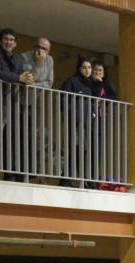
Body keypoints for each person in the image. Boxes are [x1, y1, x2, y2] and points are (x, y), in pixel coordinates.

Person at [0, 28, 34, 182]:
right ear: (0, 41)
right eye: (6, 39)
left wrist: (26, 80)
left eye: (12, 40)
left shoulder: (16, 57)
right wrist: (19, 78)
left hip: (6, 105)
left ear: (15, 43)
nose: (8, 42)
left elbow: (20, 75)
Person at [60, 57, 95, 185]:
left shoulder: (89, 84)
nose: (87, 70)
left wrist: (92, 114)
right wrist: (74, 113)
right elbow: (63, 99)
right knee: (73, 150)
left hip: (85, 125)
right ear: (79, 69)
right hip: (73, 123)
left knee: (82, 152)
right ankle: (66, 180)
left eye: (89, 68)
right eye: (84, 68)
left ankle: (80, 180)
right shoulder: (72, 81)